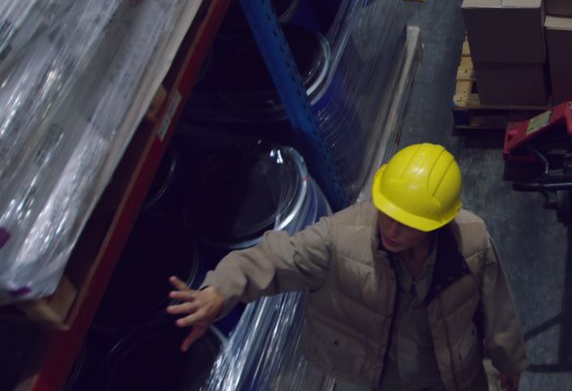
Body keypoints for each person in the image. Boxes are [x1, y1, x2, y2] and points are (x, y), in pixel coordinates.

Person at [167, 143, 528, 391]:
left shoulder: (473, 242)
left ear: (437, 223)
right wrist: (219, 290)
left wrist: (508, 362)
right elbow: (272, 259)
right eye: (387, 214)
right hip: (385, 381)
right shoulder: (340, 239)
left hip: (455, 376)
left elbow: (499, 310)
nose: (392, 229)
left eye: (408, 224)